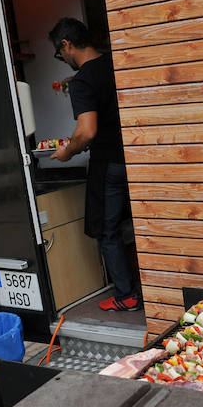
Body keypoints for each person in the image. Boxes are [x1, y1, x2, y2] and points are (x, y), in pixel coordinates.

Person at [48, 17, 139, 311]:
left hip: (109, 164)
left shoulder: (84, 80)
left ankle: (127, 295)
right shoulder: (116, 64)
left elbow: (86, 132)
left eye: (59, 53)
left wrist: (68, 152)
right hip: (136, 158)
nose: (62, 59)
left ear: (67, 44)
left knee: (107, 231)